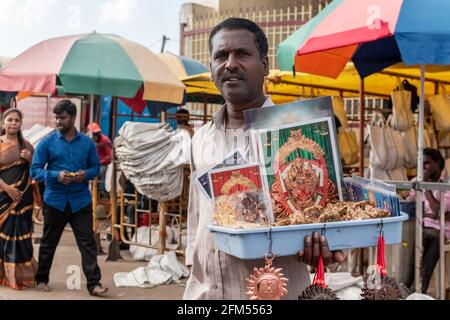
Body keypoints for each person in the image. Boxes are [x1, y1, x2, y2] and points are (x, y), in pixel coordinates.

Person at [184, 17, 345, 300]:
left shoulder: (300, 136)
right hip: (204, 295)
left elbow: (329, 219)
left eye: (242, 54)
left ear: (266, 65)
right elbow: (197, 217)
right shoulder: (200, 140)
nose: (230, 64)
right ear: (211, 68)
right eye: (221, 56)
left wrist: (325, 247)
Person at [31, 100, 108, 296]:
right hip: (54, 200)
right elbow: (35, 170)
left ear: (73, 118)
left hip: (80, 201)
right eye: (56, 117)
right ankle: (41, 280)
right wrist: (56, 175)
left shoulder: (87, 143)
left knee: (87, 243)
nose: (58, 121)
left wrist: (86, 174)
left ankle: (94, 284)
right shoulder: (47, 142)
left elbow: (95, 167)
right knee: (49, 242)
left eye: (63, 117)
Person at [404, 148, 450, 293]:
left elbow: (437, 210)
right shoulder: (416, 182)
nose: (423, 167)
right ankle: (407, 285)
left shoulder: (447, 183)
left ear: (438, 163)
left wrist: (426, 187)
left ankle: (419, 288)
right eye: (421, 164)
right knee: (410, 237)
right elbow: (413, 207)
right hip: (422, 226)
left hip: (442, 229)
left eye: (427, 163)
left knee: (433, 238)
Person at [0, 109, 36, 289]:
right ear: (3, 122)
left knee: (21, 237)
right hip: (3, 198)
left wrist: (31, 160)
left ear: (21, 124)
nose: (13, 123)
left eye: (17, 120)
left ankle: (19, 276)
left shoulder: (27, 146)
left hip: (23, 199)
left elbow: (37, 171)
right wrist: (7, 189)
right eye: (10, 120)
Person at [87, 122, 112, 196]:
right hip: (91, 163)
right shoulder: (86, 139)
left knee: (100, 171)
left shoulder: (105, 140)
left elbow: (109, 157)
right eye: (94, 134)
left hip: (102, 164)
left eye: (96, 134)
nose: (95, 136)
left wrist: (98, 162)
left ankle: (101, 191)